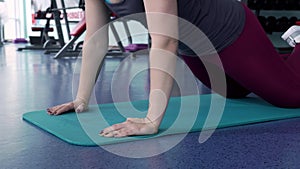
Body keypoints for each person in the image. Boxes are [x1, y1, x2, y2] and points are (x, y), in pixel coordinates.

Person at [47, 0, 300, 138]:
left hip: (230, 32)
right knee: (234, 91)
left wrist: (152, 120)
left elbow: (165, 40)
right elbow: (96, 38)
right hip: (194, 48)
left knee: (292, 96)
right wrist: (81, 98)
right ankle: (274, 65)